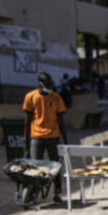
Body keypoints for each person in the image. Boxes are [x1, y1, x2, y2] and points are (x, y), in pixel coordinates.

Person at [22, 72, 68, 203]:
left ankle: (57, 192)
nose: (50, 87)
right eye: (47, 84)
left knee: (55, 166)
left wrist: (65, 141)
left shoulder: (56, 98)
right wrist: (26, 141)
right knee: (35, 167)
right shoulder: (30, 97)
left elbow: (61, 121)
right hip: (36, 137)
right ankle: (34, 193)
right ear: (40, 84)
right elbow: (27, 121)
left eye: (51, 84)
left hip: (53, 137)